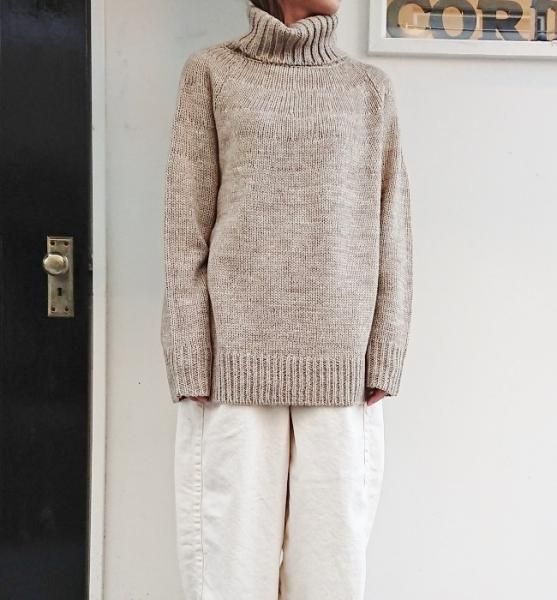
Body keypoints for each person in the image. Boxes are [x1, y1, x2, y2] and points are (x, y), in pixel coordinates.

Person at [160, 0, 413, 598]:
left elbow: (392, 228)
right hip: (232, 373)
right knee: (229, 575)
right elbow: (185, 228)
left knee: (331, 576)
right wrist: (189, 356)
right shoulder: (212, 73)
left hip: (343, 374)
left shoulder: (369, 88)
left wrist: (386, 353)